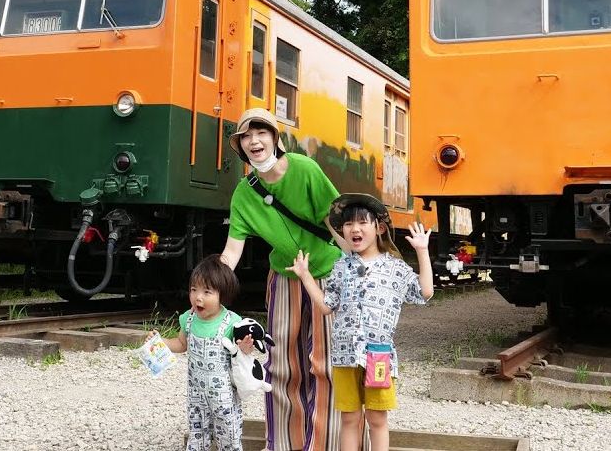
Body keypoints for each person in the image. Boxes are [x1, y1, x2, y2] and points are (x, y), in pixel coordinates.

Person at [219, 107, 344, 451]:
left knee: (325, 363)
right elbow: (232, 251)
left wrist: (358, 264)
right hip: (285, 277)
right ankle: (285, 445)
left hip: (326, 274)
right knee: (282, 365)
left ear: (275, 138)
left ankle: (327, 444)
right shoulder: (245, 193)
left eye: (261, 133)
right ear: (240, 146)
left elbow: (336, 219)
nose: (253, 141)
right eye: (246, 136)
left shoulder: (305, 169)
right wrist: (211, 284)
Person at [287, 194, 433, 451]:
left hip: (379, 356)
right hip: (345, 355)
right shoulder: (340, 267)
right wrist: (306, 276)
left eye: (362, 222)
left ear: (379, 228)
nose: (354, 228)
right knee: (350, 417)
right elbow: (325, 306)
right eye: (347, 224)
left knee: (377, 418)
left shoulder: (395, 268)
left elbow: (425, 291)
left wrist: (422, 251)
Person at [158, 254, 254, 451]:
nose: (198, 297)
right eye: (194, 290)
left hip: (224, 396)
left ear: (222, 295)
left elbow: (241, 352)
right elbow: (181, 343)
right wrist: (160, 342)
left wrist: (245, 348)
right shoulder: (189, 319)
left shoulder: (232, 322)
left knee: (228, 434)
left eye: (207, 292)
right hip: (196, 394)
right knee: (198, 434)